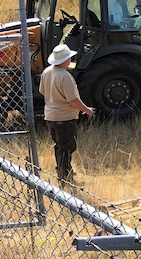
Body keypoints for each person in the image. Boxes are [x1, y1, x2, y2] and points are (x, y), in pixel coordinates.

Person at [39, 44, 94, 185]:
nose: (70, 60)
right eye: (68, 58)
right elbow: (73, 100)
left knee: (59, 146)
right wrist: (87, 110)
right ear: (65, 60)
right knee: (67, 147)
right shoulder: (65, 76)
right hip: (65, 118)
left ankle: (64, 171)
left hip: (50, 116)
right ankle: (64, 177)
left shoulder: (46, 72)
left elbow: (42, 91)